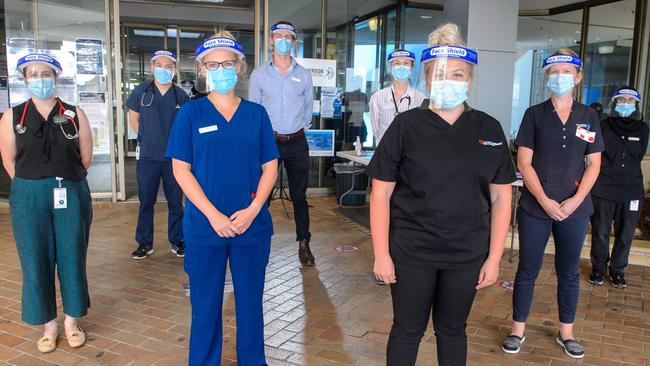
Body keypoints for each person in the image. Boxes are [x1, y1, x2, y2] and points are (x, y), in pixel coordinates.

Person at [368, 23, 515, 365]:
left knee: (452, 330)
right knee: (407, 330)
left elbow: (501, 198)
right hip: (411, 251)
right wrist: (380, 254)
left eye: (458, 74)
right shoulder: (406, 126)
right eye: (440, 74)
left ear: (470, 80)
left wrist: (493, 258)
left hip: (466, 254)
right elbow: (380, 194)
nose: (449, 81)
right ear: (428, 78)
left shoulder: (488, 128)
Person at [166, 31, 279, 365]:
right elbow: (181, 170)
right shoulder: (190, 114)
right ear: (202, 70)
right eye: (212, 65)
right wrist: (214, 216)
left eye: (227, 64)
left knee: (250, 304)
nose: (220, 70)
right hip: (205, 227)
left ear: (239, 67)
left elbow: (270, 168)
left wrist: (254, 208)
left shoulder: (256, 114)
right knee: (204, 306)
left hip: (251, 227)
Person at [502, 49, 604, 359]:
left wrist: (574, 201)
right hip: (536, 208)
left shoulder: (588, 116)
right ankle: (518, 329)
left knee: (569, 272)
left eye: (566, 72)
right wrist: (545, 201)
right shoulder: (534, 114)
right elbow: (524, 161)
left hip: (575, 210)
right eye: (554, 72)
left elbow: (594, 164)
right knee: (527, 270)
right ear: (547, 76)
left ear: (578, 76)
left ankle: (566, 333)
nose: (560, 77)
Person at [0, 53, 93, 353]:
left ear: (55, 76)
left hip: (70, 191)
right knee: (35, 260)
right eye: (33, 74)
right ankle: (48, 325)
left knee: (72, 256)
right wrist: (32, 185)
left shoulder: (74, 113)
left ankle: (71, 322)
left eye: (45, 73)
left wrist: (64, 179)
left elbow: (86, 156)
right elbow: (9, 159)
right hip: (29, 195)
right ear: (25, 79)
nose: (40, 79)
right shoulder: (12, 117)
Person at [249, 21, 315, 266]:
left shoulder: (304, 74)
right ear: (271, 40)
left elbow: (309, 108)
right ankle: (255, 241)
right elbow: (254, 111)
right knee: (262, 195)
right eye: (279, 36)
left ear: (294, 42)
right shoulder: (259, 74)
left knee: (299, 196)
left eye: (288, 36)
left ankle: (304, 244)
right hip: (269, 143)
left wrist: (298, 129)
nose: (283, 40)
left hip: (297, 142)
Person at [126, 50, 190, 260]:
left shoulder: (180, 95)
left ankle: (178, 240)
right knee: (146, 201)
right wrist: (146, 138)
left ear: (174, 70)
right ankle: (144, 243)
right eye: (160, 65)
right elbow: (134, 119)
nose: (164, 70)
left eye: (169, 66)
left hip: (174, 159)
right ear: (153, 67)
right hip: (148, 157)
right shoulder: (141, 92)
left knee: (175, 202)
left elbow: (186, 126)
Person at [589, 87, 648, 288]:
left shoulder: (643, 128)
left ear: (636, 105)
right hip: (603, 188)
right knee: (600, 231)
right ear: (614, 104)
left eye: (630, 100)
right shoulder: (603, 125)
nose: (625, 103)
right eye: (621, 99)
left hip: (631, 189)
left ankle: (618, 271)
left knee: (625, 233)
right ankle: (598, 269)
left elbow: (638, 156)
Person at [369, 49, 426, 144]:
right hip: (385, 152)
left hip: (411, 153)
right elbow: (376, 130)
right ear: (391, 67)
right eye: (397, 63)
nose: (401, 67)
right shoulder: (377, 97)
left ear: (411, 67)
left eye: (406, 63)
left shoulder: (421, 98)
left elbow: (422, 129)